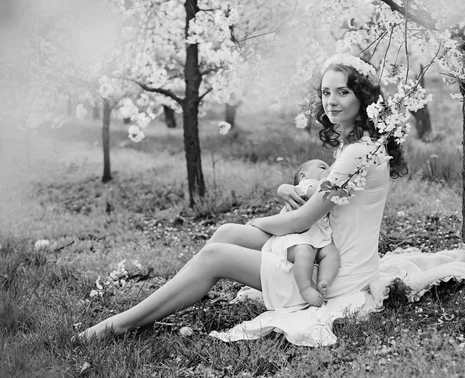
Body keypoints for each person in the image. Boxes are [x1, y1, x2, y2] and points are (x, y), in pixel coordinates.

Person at [79, 53, 407, 340]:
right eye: (325, 92)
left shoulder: (357, 154)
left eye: (343, 92)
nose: (331, 101)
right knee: (226, 233)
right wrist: (285, 189)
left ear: (363, 97)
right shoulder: (360, 145)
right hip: (328, 252)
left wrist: (257, 221)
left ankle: (119, 325)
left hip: (331, 276)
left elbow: (303, 219)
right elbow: (322, 199)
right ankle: (172, 298)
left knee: (216, 256)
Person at [260, 158, 340, 307]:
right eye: (322, 167)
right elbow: (316, 192)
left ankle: (324, 281)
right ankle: (305, 288)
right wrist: (329, 177)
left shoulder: (319, 186)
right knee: (305, 252)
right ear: (303, 176)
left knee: (332, 253)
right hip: (297, 238)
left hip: (318, 237)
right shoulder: (305, 185)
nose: (327, 170)